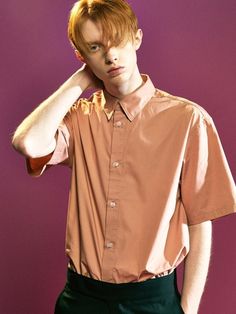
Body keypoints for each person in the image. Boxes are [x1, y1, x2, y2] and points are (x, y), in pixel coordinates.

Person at [12, 0, 236, 313]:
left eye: (117, 40)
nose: (110, 55)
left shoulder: (188, 120)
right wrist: (80, 81)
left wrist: (189, 309)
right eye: (94, 47)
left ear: (137, 38)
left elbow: (201, 223)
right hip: (81, 299)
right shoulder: (79, 118)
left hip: (153, 301)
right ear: (82, 56)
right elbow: (28, 144)